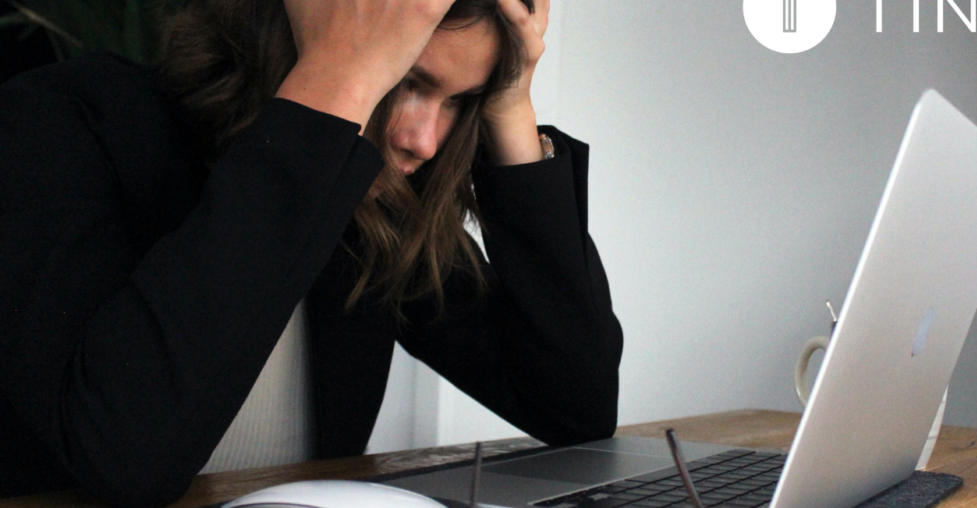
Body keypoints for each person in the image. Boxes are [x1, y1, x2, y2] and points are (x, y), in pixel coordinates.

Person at [0, 0, 623, 506]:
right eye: (406, 80)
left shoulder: (370, 207)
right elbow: (126, 459)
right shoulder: (64, 122)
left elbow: (574, 406)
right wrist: (338, 82)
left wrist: (511, 106)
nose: (425, 140)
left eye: (461, 100)